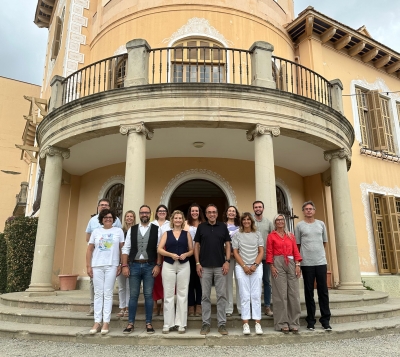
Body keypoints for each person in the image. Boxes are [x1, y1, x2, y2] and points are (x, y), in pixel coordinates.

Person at [121, 205, 162, 334]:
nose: (144, 214)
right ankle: (130, 323)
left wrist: (158, 265)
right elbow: (126, 248)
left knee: (148, 295)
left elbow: (159, 248)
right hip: (134, 265)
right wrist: (124, 265)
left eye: (147, 212)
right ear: (139, 214)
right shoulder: (132, 229)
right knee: (133, 296)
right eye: (142, 212)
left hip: (150, 265)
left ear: (150, 214)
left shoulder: (157, 229)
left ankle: (148, 323)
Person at [194, 204, 231, 336]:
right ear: (206, 214)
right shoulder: (201, 227)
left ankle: (222, 324)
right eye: (209, 212)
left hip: (220, 266)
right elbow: (196, 246)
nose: (212, 214)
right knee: (205, 296)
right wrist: (197, 263)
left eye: (214, 212)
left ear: (217, 213)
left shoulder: (223, 227)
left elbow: (228, 244)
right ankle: (206, 324)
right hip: (204, 267)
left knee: (221, 295)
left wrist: (227, 261)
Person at [86, 209, 124, 335]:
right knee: (98, 293)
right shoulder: (96, 231)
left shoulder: (118, 231)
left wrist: (120, 264)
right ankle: (97, 322)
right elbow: (90, 250)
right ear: (101, 219)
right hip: (97, 265)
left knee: (107, 293)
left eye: (110, 217)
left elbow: (122, 249)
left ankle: (106, 322)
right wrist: (88, 266)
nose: (108, 219)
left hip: (111, 265)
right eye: (105, 217)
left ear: (114, 219)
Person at [295, 201, 332, 331]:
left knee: (323, 292)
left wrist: (318, 253)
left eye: (311, 209)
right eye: (306, 209)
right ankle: (310, 320)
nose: (309, 211)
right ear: (303, 211)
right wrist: (299, 262)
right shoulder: (299, 226)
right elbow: (297, 245)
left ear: (314, 211)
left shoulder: (321, 224)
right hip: (306, 263)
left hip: (321, 262)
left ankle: (325, 320)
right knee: (308, 292)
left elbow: (324, 242)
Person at [158, 210, 193, 334]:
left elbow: (192, 250)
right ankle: (168, 323)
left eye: (180, 218)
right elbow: (159, 249)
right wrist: (170, 254)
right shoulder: (166, 233)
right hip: (169, 264)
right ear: (172, 220)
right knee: (168, 295)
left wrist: (186, 254)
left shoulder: (187, 234)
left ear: (183, 220)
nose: (178, 220)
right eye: (176, 218)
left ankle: (181, 323)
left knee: (182, 294)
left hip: (184, 265)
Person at [266, 214, 302, 333]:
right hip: (277, 262)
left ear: (284, 222)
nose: (280, 222)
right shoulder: (271, 236)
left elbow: (296, 251)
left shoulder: (290, 235)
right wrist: (271, 266)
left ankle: (294, 322)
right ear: (275, 222)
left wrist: (297, 265)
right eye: (278, 220)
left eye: (282, 220)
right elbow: (269, 251)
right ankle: (281, 323)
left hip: (291, 262)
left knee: (294, 293)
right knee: (280, 294)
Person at [232, 212, 264, 335]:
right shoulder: (237, 235)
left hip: (256, 267)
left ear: (251, 221)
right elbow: (235, 252)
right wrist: (244, 266)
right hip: (241, 267)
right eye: (244, 219)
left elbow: (261, 251)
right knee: (244, 295)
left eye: (248, 219)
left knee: (255, 295)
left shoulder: (257, 234)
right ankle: (245, 324)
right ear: (241, 222)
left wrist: (255, 265)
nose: (246, 221)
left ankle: (257, 323)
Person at [253, 200, 274, 317]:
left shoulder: (269, 223)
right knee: (254, 282)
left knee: (266, 281)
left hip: (266, 257)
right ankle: (254, 306)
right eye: (256, 207)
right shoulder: (250, 222)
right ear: (253, 209)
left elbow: (272, 239)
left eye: (260, 207)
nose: (258, 209)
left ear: (263, 209)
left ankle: (267, 306)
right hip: (252, 257)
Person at [184, 203, 206, 317]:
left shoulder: (204, 224)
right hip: (188, 256)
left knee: (200, 281)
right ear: (190, 212)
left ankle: (199, 305)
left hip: (202, 256)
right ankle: (190, 305)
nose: (194, 213)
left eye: (196, 211)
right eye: (192, 211)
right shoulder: (185, 224)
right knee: (190, 281)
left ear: (199, 212)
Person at [151, 204, 171, 315]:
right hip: (153, 253)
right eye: (160, 210)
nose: (162, 212)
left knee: (165, 279)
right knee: (154, 279)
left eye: (164, 211)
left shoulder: (170, 224)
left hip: (166, 253)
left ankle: (163, 303)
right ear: (157, 212)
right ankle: (154, 304)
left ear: (167, 213)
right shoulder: (151, 224)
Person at [117, 210, 136, 318]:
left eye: (131, 216)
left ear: (134, 218)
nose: (129, 218)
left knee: (130, 286)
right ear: (124, 218)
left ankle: (128, 307)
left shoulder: (136, 230)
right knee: (121, 286)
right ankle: (122, 307)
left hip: (132, 261)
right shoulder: (120, 231)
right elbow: (119, 247)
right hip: (120, 261)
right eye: (127, 216)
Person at [223, 205, 241, 317]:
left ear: (236, 213)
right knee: (228, 283)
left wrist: (236, 253)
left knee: (240, 282)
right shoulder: (222, 226)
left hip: (239, 257)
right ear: (226, 213)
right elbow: (222, 242)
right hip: (227, 257)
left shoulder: (241, 226)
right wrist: (229, 253)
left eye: (233, 211)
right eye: (229, 211)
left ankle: (240, 308)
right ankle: (228, 309)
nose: (231, 213)